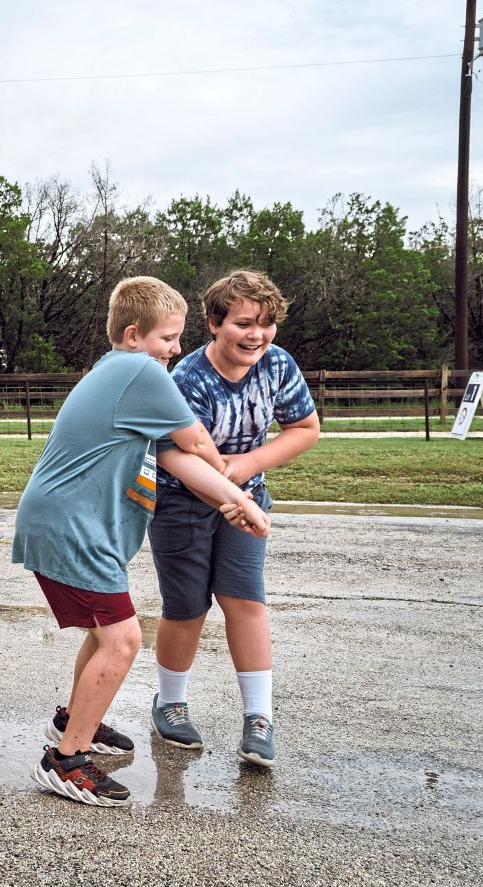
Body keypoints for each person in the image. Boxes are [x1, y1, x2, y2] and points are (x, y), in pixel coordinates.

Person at [13, 276, 270, 808]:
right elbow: (197, 443)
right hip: (72, 527)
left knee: (103, 630)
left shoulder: (117, 374)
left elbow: (176, 458)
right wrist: (235, 487)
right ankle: (66, 760)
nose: (177, 349)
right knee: (123, 639)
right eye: (168, 338)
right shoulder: (138, 371)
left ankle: (75, 720)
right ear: (133, 336)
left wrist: (233, 500)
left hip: (68, 524)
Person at [147, 269, 320, 768]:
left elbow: (304, 428)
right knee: (187, 605)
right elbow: (185, 454)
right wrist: (230, 488)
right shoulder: (186, 379)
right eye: (244, 323)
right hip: (182, 501)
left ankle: (259, 718)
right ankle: (171, 702)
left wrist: (249, 467)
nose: (257, 335)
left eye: (267, 324)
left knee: (245, 598)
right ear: (214, 323)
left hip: (246, 496)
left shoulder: (279, 366)